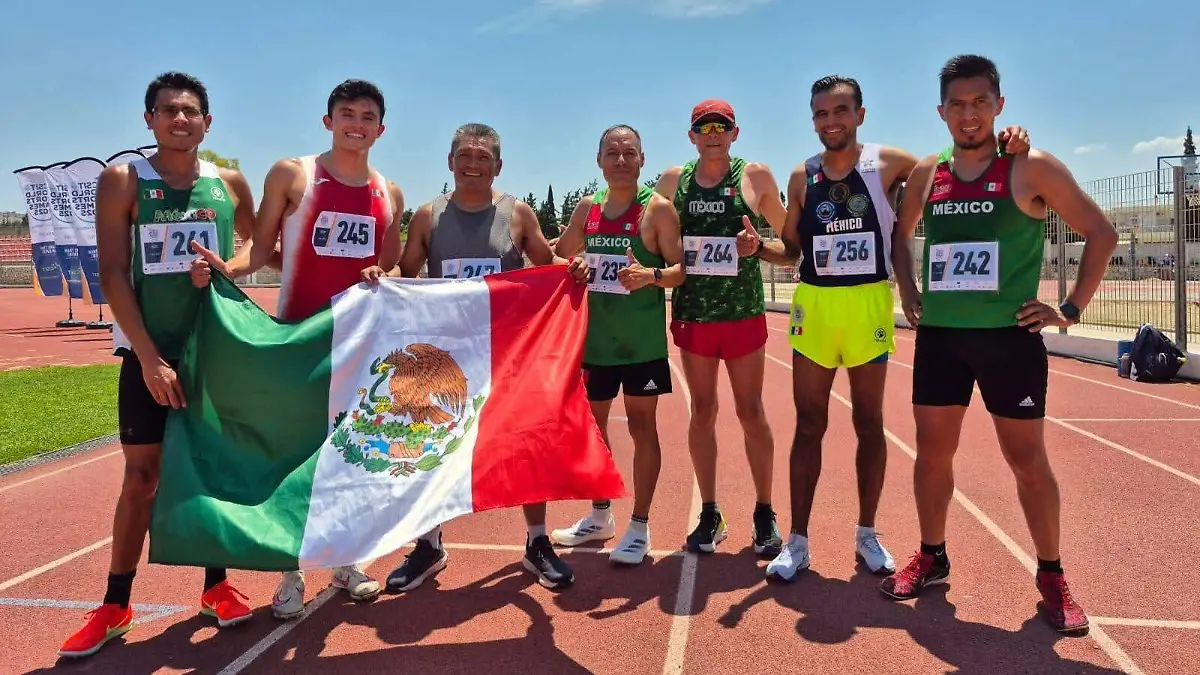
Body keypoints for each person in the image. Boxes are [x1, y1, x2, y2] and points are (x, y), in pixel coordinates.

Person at [745, 76, 1030, 582]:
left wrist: (1005, 141)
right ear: (812, 120)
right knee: (808, 424)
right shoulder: (802, 175)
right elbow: (790, 250)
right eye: (821, 114)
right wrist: (758, 249)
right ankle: (798, 541)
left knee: (869, 423)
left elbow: (952, 166)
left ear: (860, 114)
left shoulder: (889, 163)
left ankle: (866, 533)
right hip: (816, 306)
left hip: (868, 303)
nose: (831, 121)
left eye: (841, 111)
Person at [882, 54, 1116, 634]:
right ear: (941, 111)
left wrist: (1069, 310)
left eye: (980, 102)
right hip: (941, 340)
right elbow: (900, 234)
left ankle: (1052, 575)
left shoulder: (1029, 166)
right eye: (957, 104)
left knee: (1027, 462)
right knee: (932, 454)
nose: (969, 115)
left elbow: (1101, 233)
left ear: (999, 105)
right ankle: (932, 556)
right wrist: (908, 289)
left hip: (1009, 341)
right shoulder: (927, 172)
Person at [60, 72, 263, 659]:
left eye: (190, 111)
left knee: (212, 471)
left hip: (215, 350)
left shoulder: (228, 182)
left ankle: (216, 587)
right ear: (148, 119)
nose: (180, 119)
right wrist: (148, 358)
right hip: (148, 352)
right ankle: (115, 605)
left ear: (208, 122)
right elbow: (112, 273)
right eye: (168, 110)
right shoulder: (123, 179)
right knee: (142, 479)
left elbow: (257, 245)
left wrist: (226, 265)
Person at [191, 78, 403, 619]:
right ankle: (290, 569)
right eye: (347, 113)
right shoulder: (293, 174)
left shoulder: (389, 192)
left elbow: (392, 264)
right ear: (328, 121)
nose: (357, 124)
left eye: (368, 116)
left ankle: (347, 559)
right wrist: (226, 268)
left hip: (358, 346)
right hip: (297, 340)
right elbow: (260, 249)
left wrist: (385, 273)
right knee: (294, 455)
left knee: (350, 453)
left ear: (381, 129)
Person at [362, 122, 590, 590]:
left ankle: (537, 541)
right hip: (447, 357)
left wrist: (575, 266)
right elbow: (406, 272)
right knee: (432, 444)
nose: (473, 164)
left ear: (498, 166)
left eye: (483, 158)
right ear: (450, 162)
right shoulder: (428, 216)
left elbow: (548, 265)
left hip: (507, 353)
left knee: (525, 444)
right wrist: (380, 275)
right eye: (465, 156)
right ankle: (428, 544)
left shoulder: (518, 214)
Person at [546, 124, 686, 564]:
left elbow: (682, 269)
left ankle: (640, 526)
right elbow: (560, 252)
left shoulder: (658, 210)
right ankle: (600, 514)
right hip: (597, 343)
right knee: (593, 428)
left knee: (643, 429)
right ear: (599, 160)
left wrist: (652, 275)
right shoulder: (588, 209)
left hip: (641, 344)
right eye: (612, 153)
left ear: (642, 160)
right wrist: (573, 264)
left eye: (629, 153)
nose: (621, 160)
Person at [652, 99, 786, 557]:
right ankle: (710, 512)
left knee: (751, 411)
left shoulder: (755, 177)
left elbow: (791, 247)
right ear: (691, 136)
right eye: (704, 128)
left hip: (742, 314)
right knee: (703, 411)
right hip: (695, 315)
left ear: (735, 133)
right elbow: (644, 230)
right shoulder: (674, 180)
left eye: (721, 127)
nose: (713, 134)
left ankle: (764, 512)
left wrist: (759, 246)